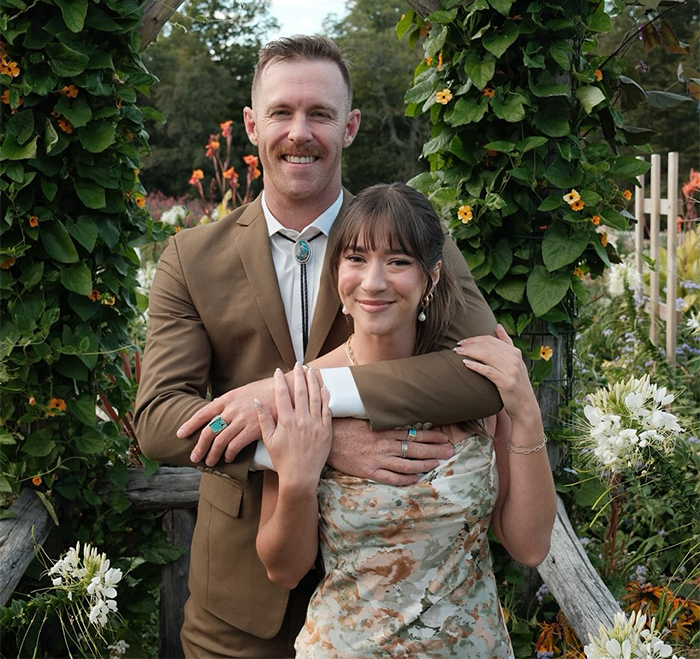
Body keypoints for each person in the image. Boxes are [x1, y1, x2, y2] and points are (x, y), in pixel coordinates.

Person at [133, 36, 503, 659]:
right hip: (240, 604)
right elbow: (160, 422)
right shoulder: (189, 259)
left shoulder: (412, 235)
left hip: (396, 606)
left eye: (320, 114)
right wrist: (311, 444)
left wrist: (306, 397)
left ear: (350, 126)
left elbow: (484, 375)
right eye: (281, 113)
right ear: (252, 125)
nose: (298, 132)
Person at [255, 183, 557, 657]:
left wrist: (526, 415)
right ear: (336, 273)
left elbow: (529, 546)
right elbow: (283, 569)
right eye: (356, 258)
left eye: (397, 261)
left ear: (431, 277)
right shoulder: (307, 393)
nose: (373, 282)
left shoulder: (475, 383)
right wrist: (297, 481)